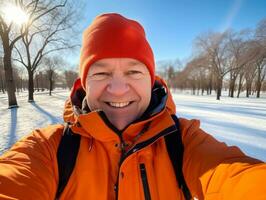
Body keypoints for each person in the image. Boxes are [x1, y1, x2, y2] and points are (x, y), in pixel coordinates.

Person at [0, 13, 265, 200]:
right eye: (101, 73)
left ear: (151, 80)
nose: (117, 89)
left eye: (134, 72)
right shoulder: (50, 150)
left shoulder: (183, 141)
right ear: (84, 83)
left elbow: (233, 174)